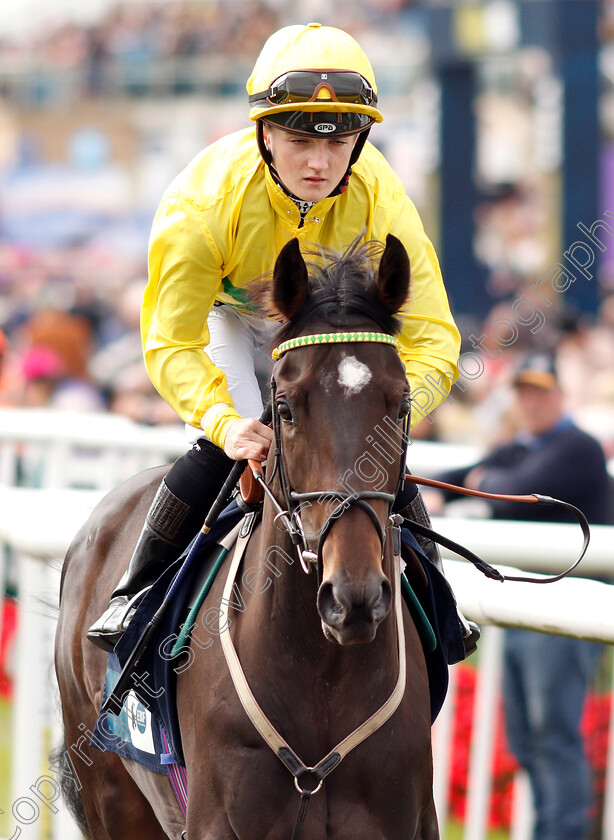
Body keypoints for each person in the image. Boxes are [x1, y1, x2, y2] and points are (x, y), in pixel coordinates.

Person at [87, 22, 470, 655]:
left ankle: (438, 611)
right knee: (238, 445)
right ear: (264, 132)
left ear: (363, 137)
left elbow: (434, 342)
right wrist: (223, 421)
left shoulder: (382, 194)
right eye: (298, 140)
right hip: (231, 315)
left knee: (365, 452)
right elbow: (169, 341)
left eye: (341, 140)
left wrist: (393, 415)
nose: (320, 162)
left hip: (326, 329)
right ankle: (136, 596)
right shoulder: (201, 205)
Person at [427, 350, 610, 840]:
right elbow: (467, 475)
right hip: (534, 609)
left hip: (569, 610)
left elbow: (517, 489)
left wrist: (480, 484)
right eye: (523, 393)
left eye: (539, 393)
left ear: (558, 395)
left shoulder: (579, 448)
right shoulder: (521, 446)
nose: (530, 403)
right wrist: (468, 484)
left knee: (552, 740)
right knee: (527, 739)